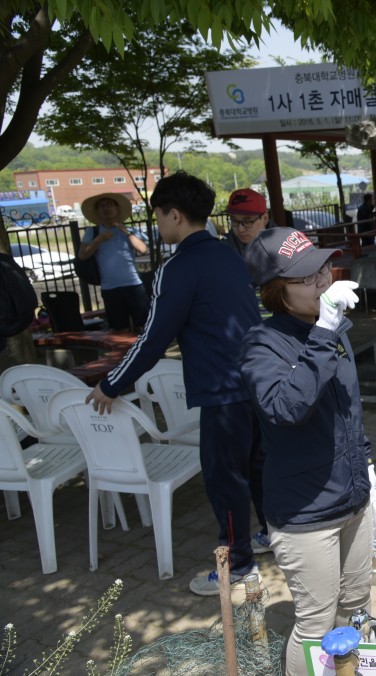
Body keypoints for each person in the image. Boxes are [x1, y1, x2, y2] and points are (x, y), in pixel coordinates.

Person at [84, 171, 270, 596]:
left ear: (174, 214)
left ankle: (238, 565)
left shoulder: (179, 266)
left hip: (223, 389)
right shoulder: (228, 255)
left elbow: (152, 339)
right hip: (256, 379)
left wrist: (110, 384)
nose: (159, 224)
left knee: (225, 479)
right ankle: (267, 537)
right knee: (257, 467)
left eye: (159, 216)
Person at [239, 227, 372, 676]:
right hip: (305, 512)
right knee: (315, 623)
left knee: (357, 606)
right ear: (277, 291)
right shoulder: (262, 344)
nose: (322, 281)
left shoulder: (332, 329)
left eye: (323, 268)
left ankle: (358, 675)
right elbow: (286, 408)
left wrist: (366, 468)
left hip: (353, 498)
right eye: (306, 277)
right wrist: (324, 331)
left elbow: (349, 410)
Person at [79, 192, 150, 332]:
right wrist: (99, 240)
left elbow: (142, 249)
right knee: (119, 329)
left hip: (133, 284)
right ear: (97, 212)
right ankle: (126, 354)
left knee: (145, 325)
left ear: (117, 209)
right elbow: (82, 255)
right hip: (109, 287)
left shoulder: (128, 230)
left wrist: (126, 232)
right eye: (102, 206)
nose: (106, 209)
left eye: (110, 205)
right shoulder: (92, 232)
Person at [224, 188, 270, 258]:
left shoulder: (284, 246)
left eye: (247, 222)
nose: (240, 229)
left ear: (265, 219)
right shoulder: (223, 248)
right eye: (234, 221)